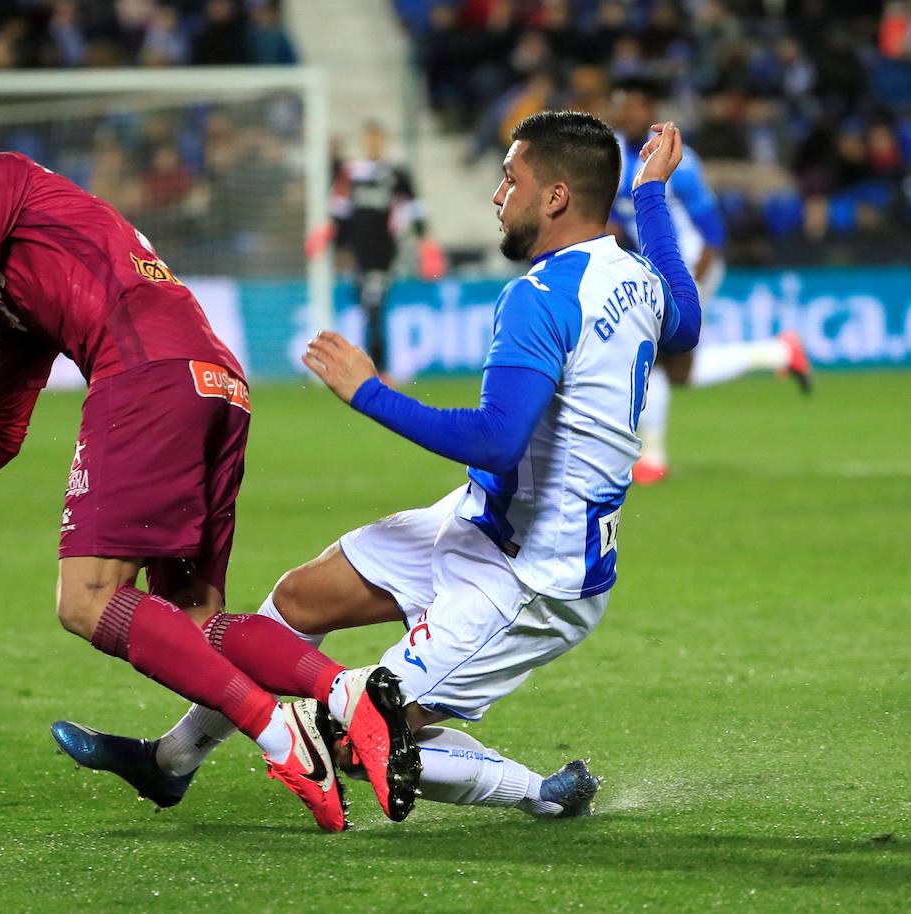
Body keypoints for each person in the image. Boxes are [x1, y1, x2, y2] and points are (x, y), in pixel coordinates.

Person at [54, 112, 702, 822]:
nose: (496, 196)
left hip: (533, 577)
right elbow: (687, 324)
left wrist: (368, 393)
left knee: (349, 734)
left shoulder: (540, 299)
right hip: (481, 522)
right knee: (299, 598)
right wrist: (650, 195)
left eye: (509, 179)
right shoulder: (634, 273)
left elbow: (495, 439)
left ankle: (542, 795)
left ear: (553, 197)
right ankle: (170, 761)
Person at [0, 141, 420, 832]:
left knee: (87, 601)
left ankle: (284, 737)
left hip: (145, 373)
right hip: (216, 384)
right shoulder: (16, 286)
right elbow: (0, 433)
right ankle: (348, 692)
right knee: (190, 627)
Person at [610, 77, 811, 484]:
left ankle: (652, 458)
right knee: (675, 371)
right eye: (620, 105)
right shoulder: (611, 155)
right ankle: (777, 352)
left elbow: (712, 233)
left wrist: (692, 286)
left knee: (654, 361)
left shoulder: (679, 162)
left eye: (634, 106)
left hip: (690, 268)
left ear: (650, 110)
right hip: (655, 271)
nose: (626, 114)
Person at [309, 121, 446, 377]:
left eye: (377, 139)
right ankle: (372, 368)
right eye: (369, 138)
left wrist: (426, 242)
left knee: (374, 309)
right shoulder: (350, 173)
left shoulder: (396, 173)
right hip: (357, 254)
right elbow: (338, 210)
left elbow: (415, 208)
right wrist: (326, 234)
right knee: (366, 310)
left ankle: (379, 371)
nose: (373, 143)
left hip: (383, 254)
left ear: (383, 141)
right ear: (363, 141)